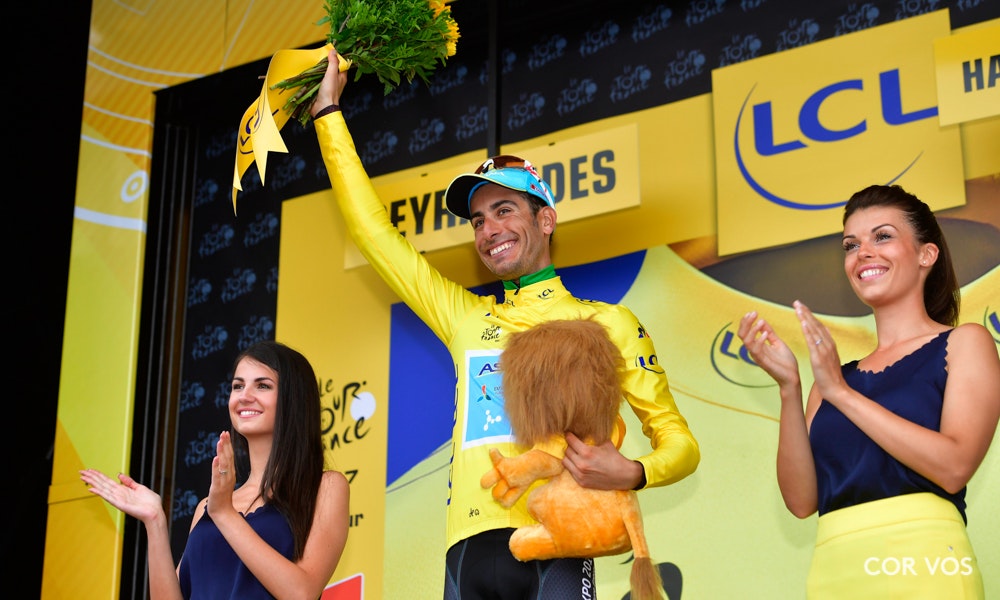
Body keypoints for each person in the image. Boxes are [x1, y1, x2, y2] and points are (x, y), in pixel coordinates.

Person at [309, 48, 699, 599]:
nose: (489, 228)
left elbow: (679, 441)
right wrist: (329, 115)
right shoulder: (465, 316)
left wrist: (632, 472)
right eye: (478, 219)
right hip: (467, 546)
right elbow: (373, 234)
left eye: (504, 210)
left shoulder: (607, 322)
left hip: (558, 543)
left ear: (545, 219)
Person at [737, 184, 1000, 598]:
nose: (863, 252)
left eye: (883, 236)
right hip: (834, 569)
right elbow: (803, 502)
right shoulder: (832, 379)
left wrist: (842, 394)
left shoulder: (965, 342)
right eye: (850, 244)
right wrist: (790, 387)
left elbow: (954, 466)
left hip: (926, 562)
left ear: (926, 255)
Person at [81, 340, 350, 599]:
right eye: (237, 386)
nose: (244, 396)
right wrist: (155, 522)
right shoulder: (208, 507)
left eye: (263, 386)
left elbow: (300, 593)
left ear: (294, 400)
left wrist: (224, 514)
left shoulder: (326, 487)